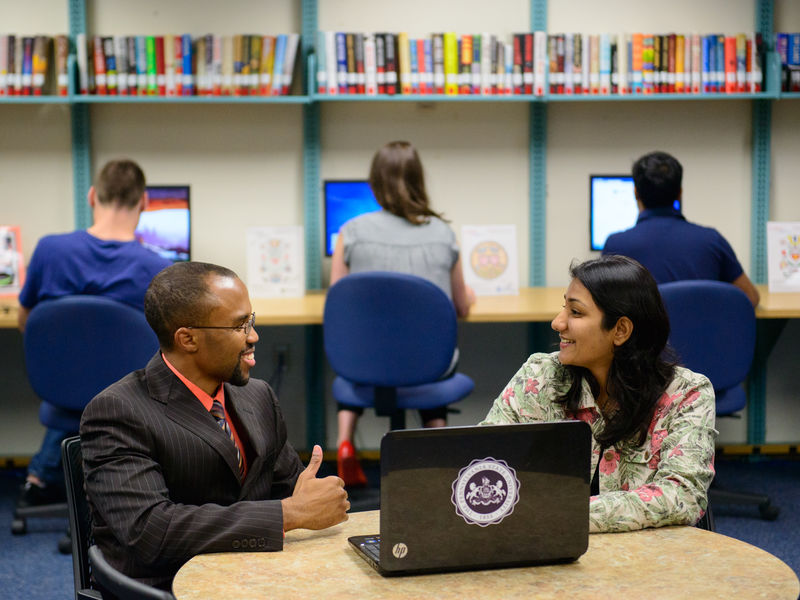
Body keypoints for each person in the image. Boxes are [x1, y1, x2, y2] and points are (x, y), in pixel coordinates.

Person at [80, 261, 349, 590]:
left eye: (251, 320)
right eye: (239, 327)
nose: (253, 336)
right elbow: (150, 532)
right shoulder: (118, 411)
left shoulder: (257, 395)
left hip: (258, 575)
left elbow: (289, 492)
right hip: (168, 586)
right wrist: (288, 514)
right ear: (187, 339)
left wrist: (309, 496)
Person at [481, 255, 716, 533]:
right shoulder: (540, 377)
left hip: (647, 562)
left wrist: (559, 513)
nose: (558, 323)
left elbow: (682, 496)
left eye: (576, 312)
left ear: (621, 330)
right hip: (553, 555)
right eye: (563, 308)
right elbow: (484, 462)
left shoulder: (686, 394)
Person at [16, 158, 171, 509]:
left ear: (91, 196)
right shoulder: (158, 268)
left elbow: (27, 322)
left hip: (60, 383)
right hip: (128, 393)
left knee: (82, 384)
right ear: (144, 202)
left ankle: (41, 477)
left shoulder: (49, 250)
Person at [330, 140, 475, 487]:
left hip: (363, 364)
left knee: (363, 357)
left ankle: (345, 441)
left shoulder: (350, 232)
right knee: (426, 355)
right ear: (418, 180)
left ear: (375, 183)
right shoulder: (443, 234)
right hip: (427, 366)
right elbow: (460, 307)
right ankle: (439, 451)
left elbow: (337, 303)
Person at [603, 150, 760, 307]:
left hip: (646, 332)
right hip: (703, 332)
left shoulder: (615, 246)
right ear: (680, 193)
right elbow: (750, 298)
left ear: (635, 193)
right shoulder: (712, 240)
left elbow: (605, 307)